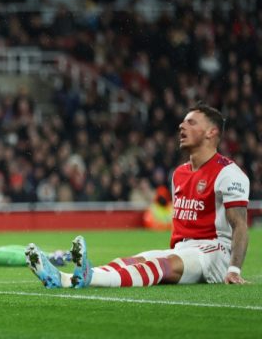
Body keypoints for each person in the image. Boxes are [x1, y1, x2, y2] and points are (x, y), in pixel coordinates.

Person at [27, 103, 251, 288]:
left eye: (191, 122)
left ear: (212, 132)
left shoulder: (229, 173)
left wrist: (233, 270)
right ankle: (64, 280)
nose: (181, 125)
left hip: (214, 252)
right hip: (183, 249)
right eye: (183, 121)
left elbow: (240, 225)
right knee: (135, 260)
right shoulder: (179, 173)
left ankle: (90, 277)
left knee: (161, 266)